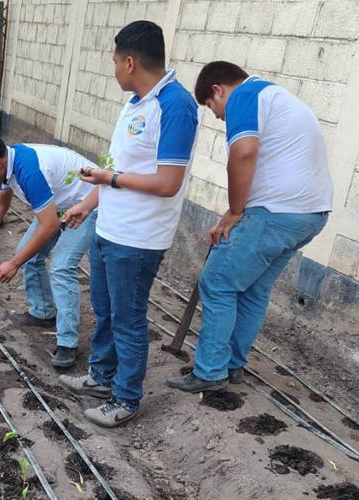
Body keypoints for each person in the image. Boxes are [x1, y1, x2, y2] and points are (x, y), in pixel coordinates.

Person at [57, 20, 199, 428]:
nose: (114, 69)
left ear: (131, 62)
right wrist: (89, 203)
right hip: (109, 227)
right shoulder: (137, 102)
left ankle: (126, 398)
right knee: (105, 309)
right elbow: (118, 167)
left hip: (138, 238)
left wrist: (109, 180)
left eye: (115, 62)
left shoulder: (175, 106)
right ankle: (102, 378)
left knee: (129, 317)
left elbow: (167, 182)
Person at [166, 61, 332, 393]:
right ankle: (232, 365)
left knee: (216, 282)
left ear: (218, 90)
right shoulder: (278, 97)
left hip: (276, 213)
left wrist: (236, 212)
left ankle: (210, 372)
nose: (221, 118)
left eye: (216, 111)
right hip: (311, 214)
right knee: (254, 290)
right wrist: (236, 213)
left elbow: (243, 155)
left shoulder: (244, 95)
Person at [0, 134, 98, 368]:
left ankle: (67, 343)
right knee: (28, 252)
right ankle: (42, 312)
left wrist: (14, 263)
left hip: (91, 202)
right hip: (61, 203)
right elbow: (0, 205)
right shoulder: (7, 163)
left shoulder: (29, 171)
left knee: (62, 266)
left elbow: (49, 225)